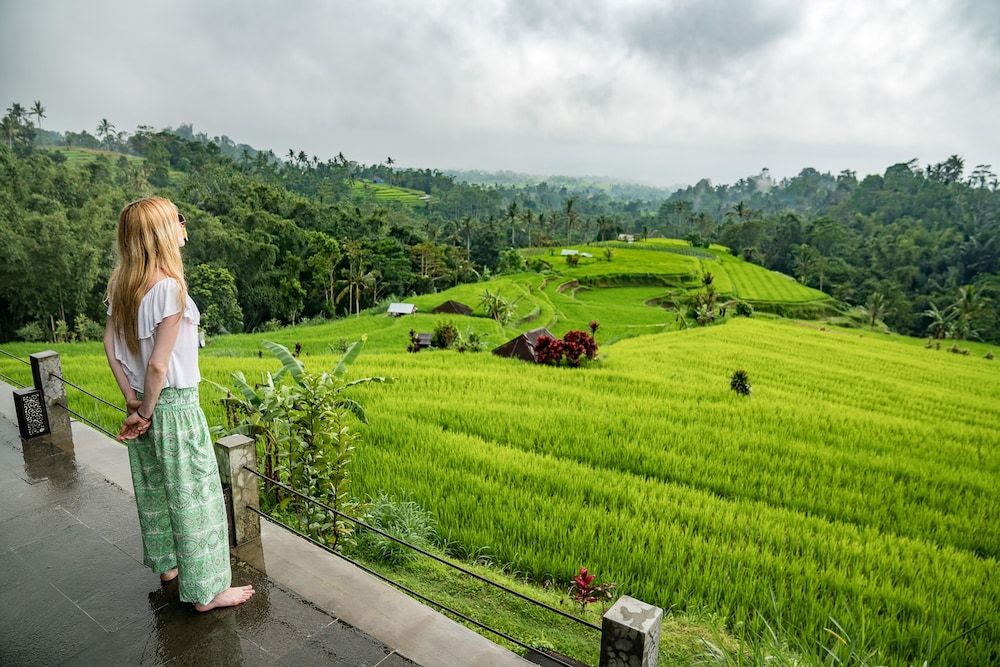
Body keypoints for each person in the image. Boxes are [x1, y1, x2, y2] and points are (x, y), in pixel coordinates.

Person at [103, 196, 254, 612]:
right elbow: (157, 365)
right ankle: (206, 592)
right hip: (175, 408)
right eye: (177, 220)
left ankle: (168, 568)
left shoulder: (121, 285)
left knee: (155, 490)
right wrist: (148, 412)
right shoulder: (169, 289)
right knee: (196, 496)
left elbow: (112, 349)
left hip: (142, 404)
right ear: (162, 233)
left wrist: (133, 404)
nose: (183, 226)